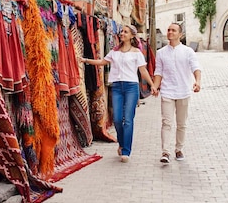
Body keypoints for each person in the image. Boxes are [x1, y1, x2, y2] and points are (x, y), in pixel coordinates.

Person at [81, 25, 157, 163]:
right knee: (116, 118)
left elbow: (143, 71)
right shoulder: (114, 51)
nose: (122, 33)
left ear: (132, 36)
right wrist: (86, 60)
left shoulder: (137, 53)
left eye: (125, 32)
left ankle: (126, 151)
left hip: (131, 87)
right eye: (121, 31)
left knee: (128, 120)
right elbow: (102, 62)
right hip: (116, 87)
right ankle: (121, 144)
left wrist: (152, 85)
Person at [153, 23, 201, 164]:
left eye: (173, 30)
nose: (170, 32)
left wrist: (197, 81)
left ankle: (178, 149)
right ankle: (165, 152)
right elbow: (158, 72)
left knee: (181, 124)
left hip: (183, 91)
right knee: (166, 123)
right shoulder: (161, 52)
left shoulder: (188, 52)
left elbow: (196, 67)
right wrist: (155, 87)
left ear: (180, 34)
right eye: (168, 30)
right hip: (167, 91)